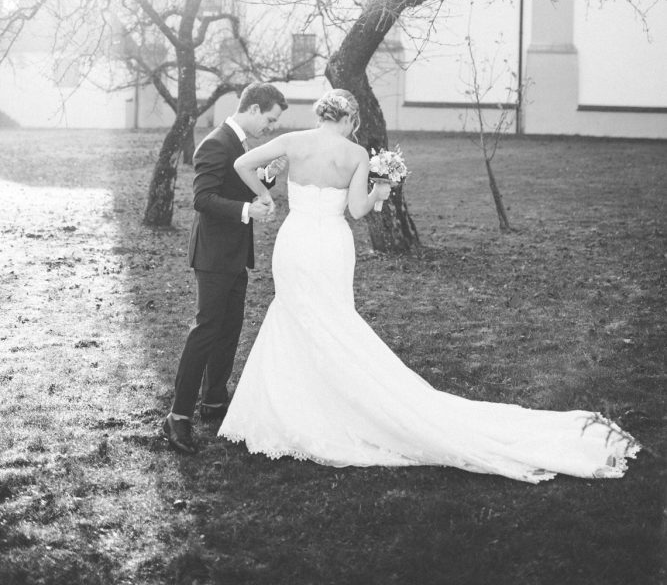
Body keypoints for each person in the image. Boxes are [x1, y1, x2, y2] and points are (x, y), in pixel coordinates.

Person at [218, 88, 640, 482]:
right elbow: (360, 211)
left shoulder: (293, 141)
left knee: (294, 313)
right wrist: (382, 188)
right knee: (332, 319)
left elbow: (242, 164)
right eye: (354, 124)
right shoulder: (354, 153)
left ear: (321, 114)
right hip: (329, 243)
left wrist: (266, 197)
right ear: (347, 119)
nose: (353, 131)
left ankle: (290, 412)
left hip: (294, 242)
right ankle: (329, 405)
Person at [162, 82, 288, 454]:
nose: (270, 127)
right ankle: (178, 417)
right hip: (214, 255)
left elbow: (235, 185)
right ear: (252, 109)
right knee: (205, 330)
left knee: (229, 328)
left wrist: (266, 176)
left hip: (234, 253)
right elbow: (202, 199)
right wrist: (249, 211)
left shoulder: (240, 144)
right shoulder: (216, 143)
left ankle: (214, 401)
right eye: (269, 118)